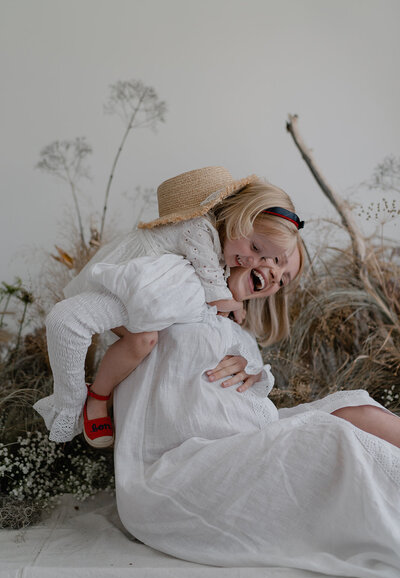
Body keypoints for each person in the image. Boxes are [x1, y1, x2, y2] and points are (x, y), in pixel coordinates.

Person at [108, 253, 400, 578]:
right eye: (274, 257)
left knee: (355, 408)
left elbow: (251, 393)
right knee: (331, 436)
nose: (276, 277)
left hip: (244, 439)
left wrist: (251, 365)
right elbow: (120, 314)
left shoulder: (237, 333)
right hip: (178, 468)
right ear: (236, 247)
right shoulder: (170, 300)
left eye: (284, 279)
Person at [34, 166, 304, 447]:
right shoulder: (181, 276)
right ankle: (90, 401)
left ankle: (98, 399)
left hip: (214, 424)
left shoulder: (233, 326)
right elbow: (210, 291)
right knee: (142, 338)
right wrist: (230, 303)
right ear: (237, 220)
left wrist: (249, 366)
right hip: (166, 425)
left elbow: (253, 366)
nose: (270, 270)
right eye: (267, 256)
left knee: (145, 339)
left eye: (282, 278)